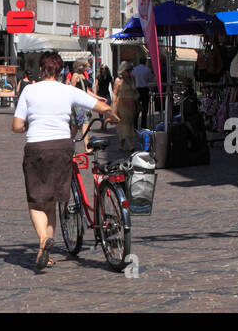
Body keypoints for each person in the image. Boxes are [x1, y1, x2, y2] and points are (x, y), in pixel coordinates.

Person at [13, 51, 118, 272]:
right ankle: (46, 252)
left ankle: (43, 239)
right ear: (61, 72)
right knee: (52, 202)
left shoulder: (29, 90)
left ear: (41, 70)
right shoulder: (68, 90)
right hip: (62, 147)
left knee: (35, 202)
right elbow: (99, 106)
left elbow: (16, 126)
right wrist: (113, 115)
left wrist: (28, 125)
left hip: (37, 148)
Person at [111, 61, 139, 152]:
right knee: (124, 125)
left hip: (131, 105)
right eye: (128, 70)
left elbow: (135, 91)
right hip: (121, 104)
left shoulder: (133, 79)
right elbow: (115, 94)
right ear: (123, 71)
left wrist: (137, 102)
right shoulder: (118, 80)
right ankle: (130, 145)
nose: (130, 72)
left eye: (130, 70)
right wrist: (113, 106)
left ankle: (121, 144)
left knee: (129, 124)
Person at [132, 58, 155, 130]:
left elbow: (132, 79)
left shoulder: (134, 69)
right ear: (145, 62)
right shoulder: (147, 70)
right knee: (145, 109)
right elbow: (150, 80)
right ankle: (143, 125)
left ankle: (135, 126)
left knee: (136, 109)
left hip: (136, 90)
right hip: (144, 89)